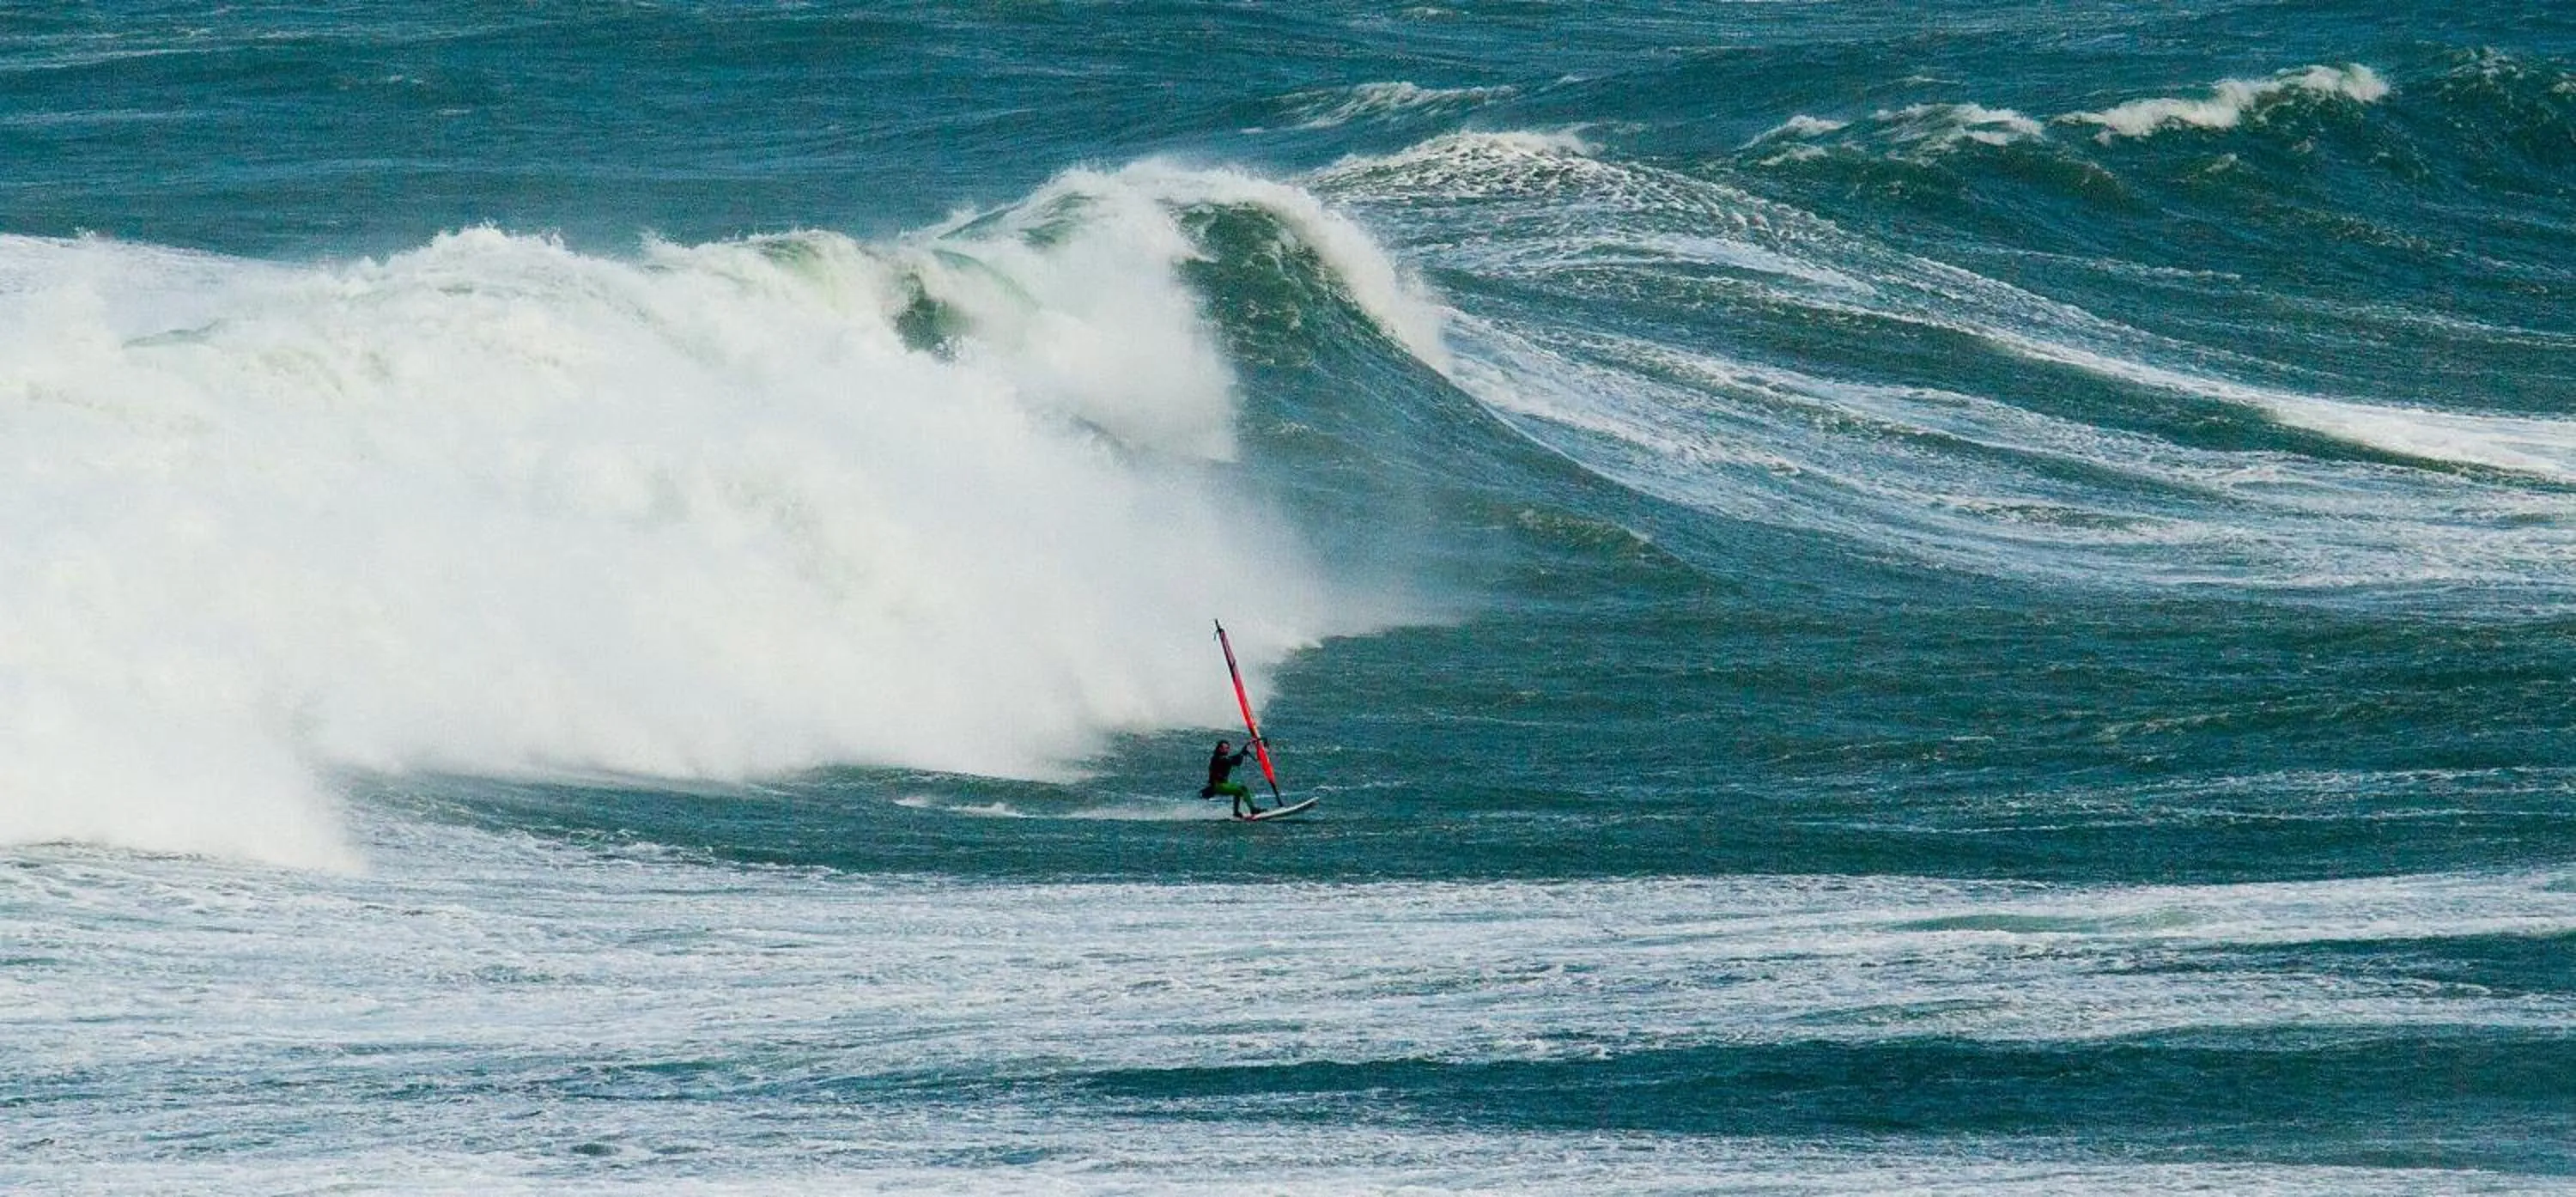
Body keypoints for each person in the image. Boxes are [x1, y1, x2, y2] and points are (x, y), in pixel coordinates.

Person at [1200, 738, 1263, 817]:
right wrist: (1242, 752)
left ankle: (1236, 813)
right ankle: (1253, 810)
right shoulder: (1217, 758)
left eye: (1228, 748)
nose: (1227, 750)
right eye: (1225, 748)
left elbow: (1235, 760)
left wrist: (1244, 749)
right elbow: (1235, 762)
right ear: (1220, 748)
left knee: (1238, 790)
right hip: (1218, 786)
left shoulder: (1223, 757)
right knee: (1242, 788)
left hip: (1223, 784)